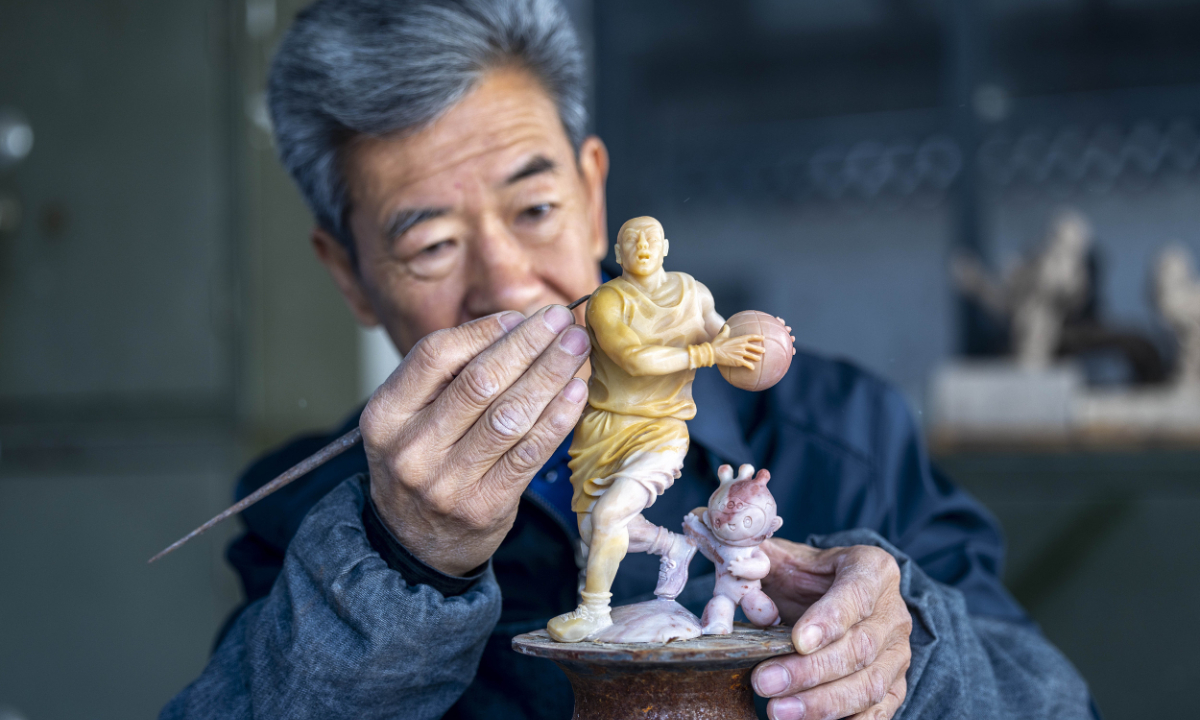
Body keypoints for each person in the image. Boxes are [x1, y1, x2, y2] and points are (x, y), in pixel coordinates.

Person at [161, 1, 1097, 719]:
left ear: (595, 191)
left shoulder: (844, 436)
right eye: (432, 245)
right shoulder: (314, 524)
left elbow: (1055, 699)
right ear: (352, 278)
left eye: (535, 211)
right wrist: (402, 567)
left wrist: (910, 651)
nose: (510, 285)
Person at [549, 215, 771, 642]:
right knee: (597, 532)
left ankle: (593, 611)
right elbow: (634, 358)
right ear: (617, 254)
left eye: (651, 239)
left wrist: (767, 345)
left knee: (612, 515)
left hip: (661, 430)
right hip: (603, 428)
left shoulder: (694, 294)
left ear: (665, 247)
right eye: (631, 240)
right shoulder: (607, 301)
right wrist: (710, 351)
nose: (642, 246)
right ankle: (674, 546)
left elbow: (730, 346)